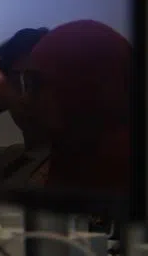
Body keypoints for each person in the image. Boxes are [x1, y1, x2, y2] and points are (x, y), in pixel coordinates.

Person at [17, 19, 131, 193]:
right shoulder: (68, 158)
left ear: (85, 90)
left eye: (36, 85)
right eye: (26, 84)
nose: (24, 99)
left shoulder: (119, 182)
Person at [0, 27, 50, 187]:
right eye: (18, 82)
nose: (26, 97)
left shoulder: (66, 170)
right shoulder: (9, 157)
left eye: (35, 82)